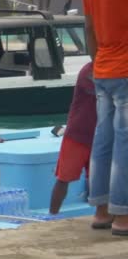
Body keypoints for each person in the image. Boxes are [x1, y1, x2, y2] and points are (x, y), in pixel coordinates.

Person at [82, 0, 128, 235]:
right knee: (125, 142)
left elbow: (89, 27)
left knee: (103, 138)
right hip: (125, 69)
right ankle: (123, 215)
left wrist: (97, 62)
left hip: (103, 69)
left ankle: (101, 211)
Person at [49, 62, 95, 215]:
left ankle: (103, 215)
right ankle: (52, 215)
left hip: (99, 136)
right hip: (77, 136)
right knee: (63, 179)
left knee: (99, 180)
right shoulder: (87, 71)